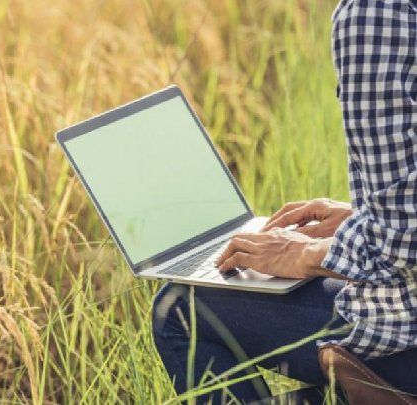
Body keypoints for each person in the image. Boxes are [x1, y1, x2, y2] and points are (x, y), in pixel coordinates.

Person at [152, 0, 417, 403]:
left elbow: (399, 244)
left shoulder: (373, 13)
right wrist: (362, 214)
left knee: (179, 309)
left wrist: (310, 253)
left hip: (408, 334)